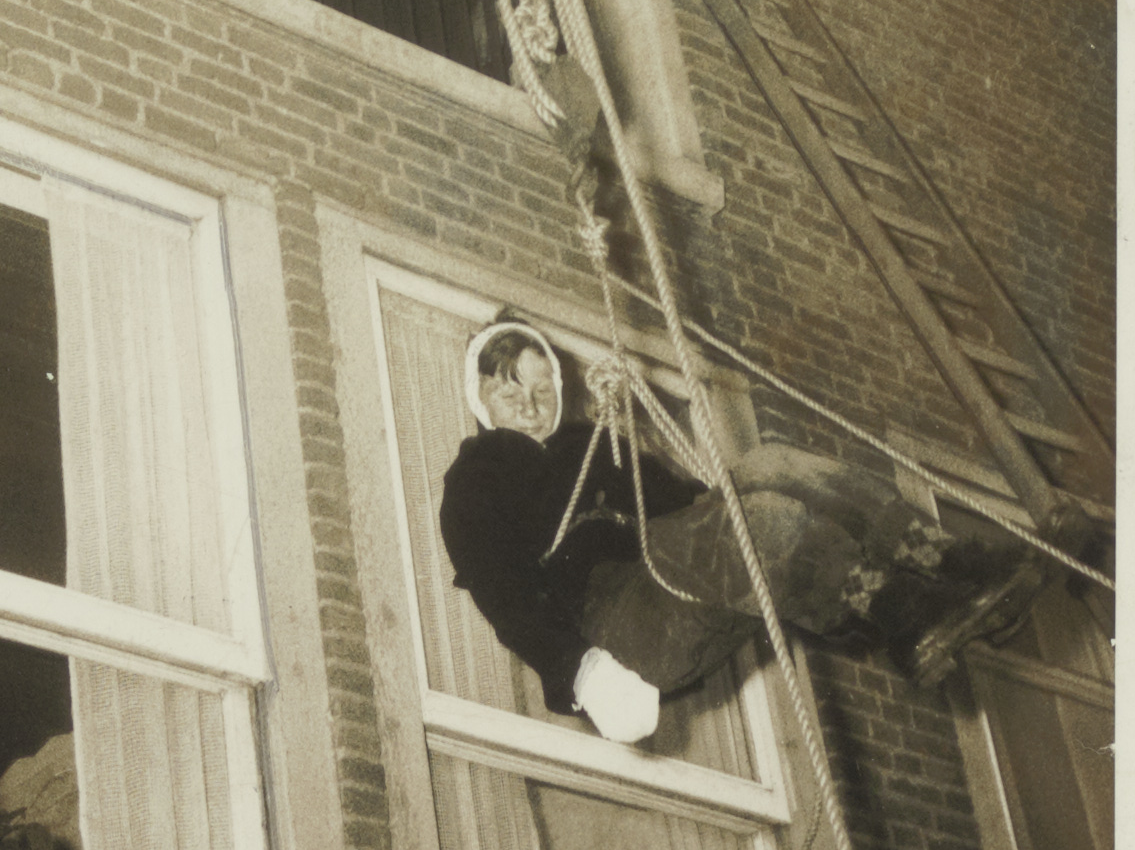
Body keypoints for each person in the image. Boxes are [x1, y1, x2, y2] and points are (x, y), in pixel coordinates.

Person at [440, 315, 1050, 744]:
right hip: (619, 621)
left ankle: (952, 565)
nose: (530, 404)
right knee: (760, 521)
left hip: (676, 573)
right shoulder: (478, 476)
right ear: (480, 399)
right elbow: (501, 590)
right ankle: (907, 616)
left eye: (542, 387)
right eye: (509, 391)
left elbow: (696, 506)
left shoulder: (596, 445)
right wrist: (581, 671)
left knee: (772, 466)